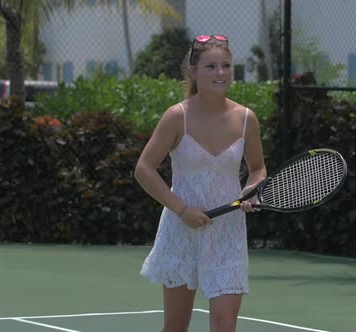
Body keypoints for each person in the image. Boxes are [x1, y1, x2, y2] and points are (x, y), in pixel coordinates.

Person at [134, 34, 267, 332]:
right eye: (211, 67)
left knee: (224, 324)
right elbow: (144, 169)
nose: (220, 74)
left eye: (226, 66)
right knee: (176, 327)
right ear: (194, 72)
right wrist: (182, 210)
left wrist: (251, 191)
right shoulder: (175, 117)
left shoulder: (247, 119)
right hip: (181, 232)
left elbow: (257, 169)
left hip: (227, 235)